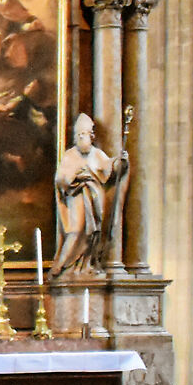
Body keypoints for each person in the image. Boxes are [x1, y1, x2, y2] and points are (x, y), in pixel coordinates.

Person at [51, 113, 127, 275]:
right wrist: (77, 177)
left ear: (91, 136)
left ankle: (87, 265)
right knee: (76, 229)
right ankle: (63, 265)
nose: (82, 138)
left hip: (95, 199)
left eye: (85, 134)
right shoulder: (70, 155)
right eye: (79, 135)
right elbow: (60, 179)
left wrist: (121, 162)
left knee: (93, 232)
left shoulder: (97, 154)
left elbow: (110, 168)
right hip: (77, 197)